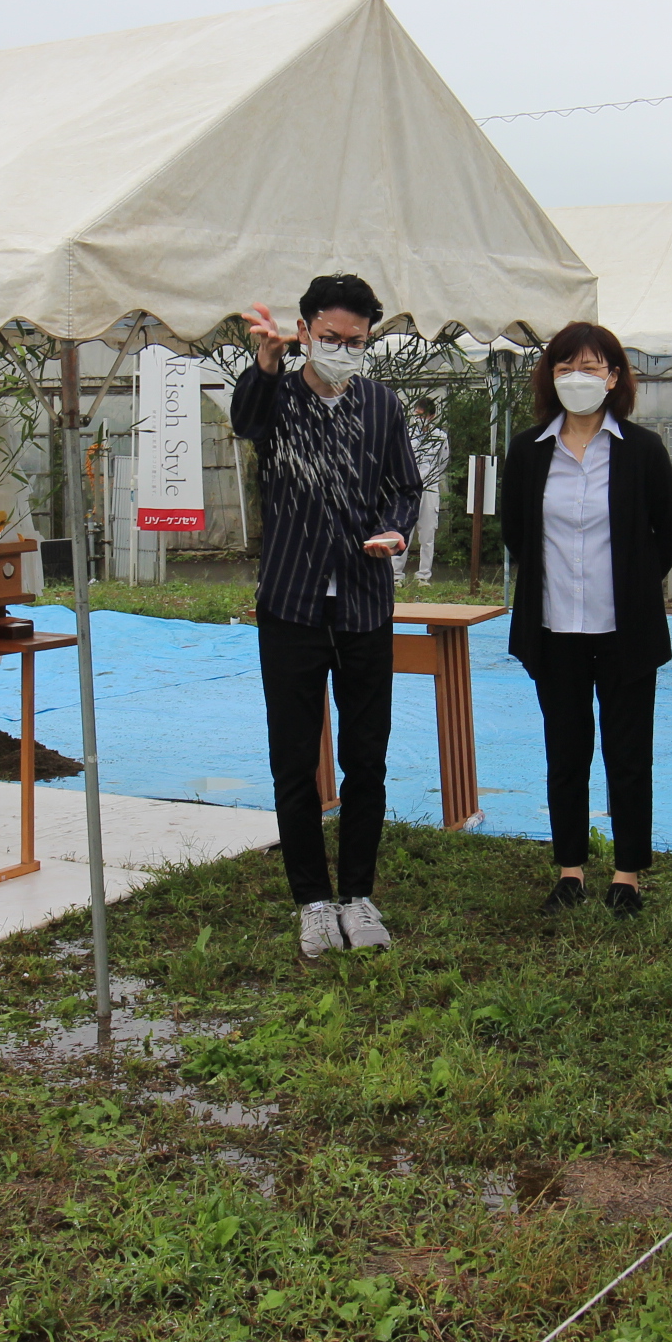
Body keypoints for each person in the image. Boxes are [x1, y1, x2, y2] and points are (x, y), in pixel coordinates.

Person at [231, 274, 426, 961]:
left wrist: (396, 532)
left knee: (365, 758)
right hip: (291, 603)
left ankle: (358, 895)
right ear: (306, 330)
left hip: (366, 603)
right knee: (293, 760)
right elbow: (245, 423)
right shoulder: (276, 394)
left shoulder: (381, 404)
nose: (345, 350)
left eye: (357, 341)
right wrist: (264, 362)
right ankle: (312, 901)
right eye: (333, 338)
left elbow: (405, 486)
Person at [499, 323, 672, 916]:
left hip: (624, 629)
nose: (579, 377)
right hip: (555, 629)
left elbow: (669, 531)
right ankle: (570, 869)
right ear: (551, 376)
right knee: (566, 750)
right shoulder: (530, 451)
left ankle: (627, 874)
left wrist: (630, 581)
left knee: (629, 753)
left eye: (592, 367)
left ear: (613, 377)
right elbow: (517, 533)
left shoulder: (641, 448)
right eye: (566, 366)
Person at [394, 397, 450, 585]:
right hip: (409, 488)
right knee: (404, 532)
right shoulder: (406, 434)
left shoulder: (440, 436)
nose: (419, 418)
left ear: (431, 416)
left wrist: (429, 479)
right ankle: (396, 575)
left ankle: (423, 576)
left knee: (427, 534)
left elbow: (443, 463)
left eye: (423, 415)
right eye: (416, 414)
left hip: (430, 488)